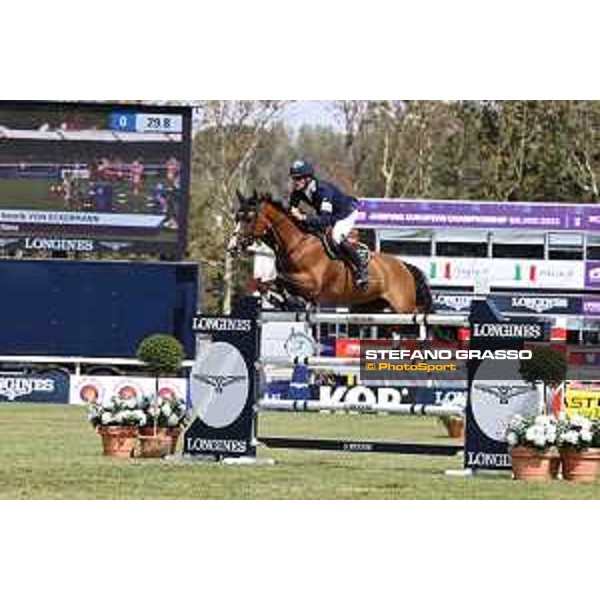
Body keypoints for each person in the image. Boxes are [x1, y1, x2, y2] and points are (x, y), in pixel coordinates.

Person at [288, 160, 368, 289]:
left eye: (298, 178)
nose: (295, 181)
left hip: (346, 213)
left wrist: (303, 217)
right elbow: (291, 211)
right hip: (329, 216)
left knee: (336, 237)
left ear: (308, 178)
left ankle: (361, 269)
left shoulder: (323, 190)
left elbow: (325, 220)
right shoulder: (297, 192)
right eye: (293, 178)